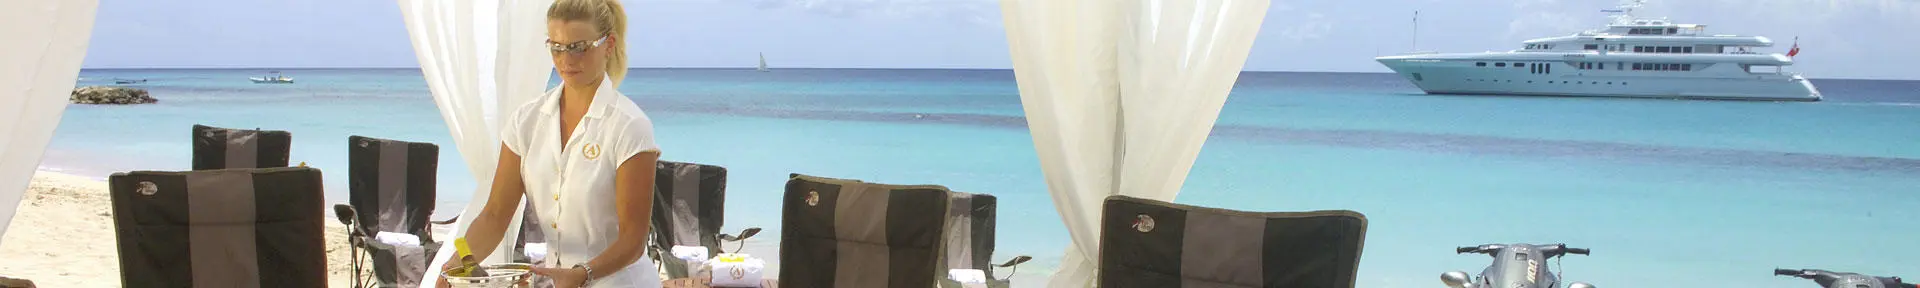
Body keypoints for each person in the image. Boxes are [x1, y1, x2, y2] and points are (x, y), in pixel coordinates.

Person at [438, 0, 660, 287]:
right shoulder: (526, 121)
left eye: (579, 47)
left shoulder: (630, 126)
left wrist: (583, 274)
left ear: (608, 44)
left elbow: (633, 239)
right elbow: (495, 215)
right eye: (556, 47)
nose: (566, 60)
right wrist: (457, 265)